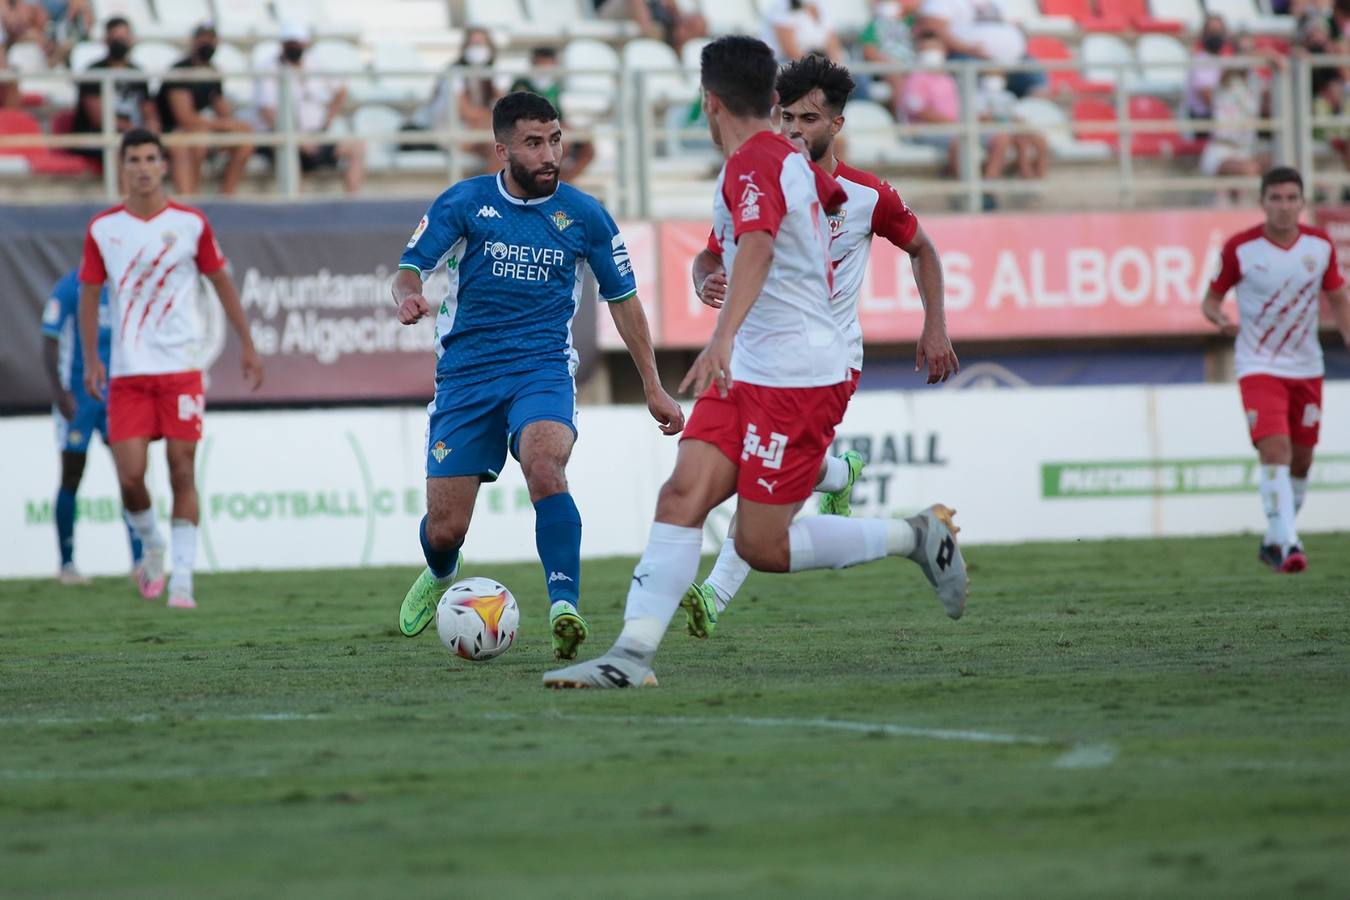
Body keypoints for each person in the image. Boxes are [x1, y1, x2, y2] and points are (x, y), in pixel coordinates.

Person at [542, 36, 968, 689]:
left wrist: (722, 338)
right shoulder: (776, 162)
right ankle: (629, 658)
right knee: (681, 494)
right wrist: (718, 276)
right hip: (751, 370)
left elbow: (764, 245)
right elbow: (781, 222)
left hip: (797, 374)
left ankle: (917, 537)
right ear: (770, 102)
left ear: (710, 104)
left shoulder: (754, 166)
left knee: (759, 546)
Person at [391, 91, 683, 659]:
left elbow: (624, 299)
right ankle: (440, 568)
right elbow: (408, 270)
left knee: (545, 465)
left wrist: (653, 385)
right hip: (466, 378)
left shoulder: (586, 215)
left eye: (555, 140)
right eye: (534, 143)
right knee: (446, 528)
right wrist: (408, 298)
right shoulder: (465, 204)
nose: (550, 154)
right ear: (502, 150)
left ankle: (564, 605)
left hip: (541, 368)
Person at [680, 53, 960, 638]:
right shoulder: (761, 176)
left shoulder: (866, 194)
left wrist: (934, 323)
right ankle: (840, 473)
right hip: (757, 355)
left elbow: (923, 249)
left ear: (836, 125)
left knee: (760, 480)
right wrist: (705, 274)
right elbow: (714, 249)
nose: (793, 130)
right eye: (787, 117)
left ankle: (714, 594)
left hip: (824, 358)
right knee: (761, 471)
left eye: (809, 119)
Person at [79, 128, 264, 608]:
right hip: (127, 372)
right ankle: (153, 545)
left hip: (181, 368)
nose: (143, 167)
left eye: (150, 158)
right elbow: (89, 293)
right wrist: (92, 359)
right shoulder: (104, 228)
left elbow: (220, 281)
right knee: (129, 476)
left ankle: (183, 578)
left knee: (182, 471)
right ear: (123, 167)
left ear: (163, 165)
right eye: (134, 159)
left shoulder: (189, 223)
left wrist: (246, 343)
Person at [1200, 166, 1350, 574]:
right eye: (1276, 198)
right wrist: (1219, 319)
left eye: (1291, 198)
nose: (1284, 207)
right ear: (1262, 202)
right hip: (1259, 365)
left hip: (1307, 367)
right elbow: (1210, 300)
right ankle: (1288, 544)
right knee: (1275, 451)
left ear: (1303, 203)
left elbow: (1338, 296)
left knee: (1301, 461)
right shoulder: (1240, 249)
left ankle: (1274, 539)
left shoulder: (1319, 246)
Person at [41, 266, 143, 585]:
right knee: (72, 474)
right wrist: (60, 392)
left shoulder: (122, 288)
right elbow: (49, 341)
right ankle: (67, 564)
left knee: (130, 476)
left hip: (117, 398)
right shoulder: (70, 288)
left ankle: (140, 561)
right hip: (78, 397)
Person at [253, 20, 365, 193]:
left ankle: (352, 204)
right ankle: (295, 210)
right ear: (283, 44)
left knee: (357, 146)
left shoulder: (314, 62)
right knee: (290, 158)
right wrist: (298, 138)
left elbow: (341, 90)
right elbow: (266, 111)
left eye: (297, 43)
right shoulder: (269, 68)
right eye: (291, 43)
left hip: (316, 134)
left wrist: (328, 119)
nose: (295, 47)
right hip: (286, 137)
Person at [156, 23, 254, 196]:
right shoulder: (180, 71)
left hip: (202, 129)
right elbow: (184, 118)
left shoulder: (212, 71)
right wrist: (225, 125)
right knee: (197, 142)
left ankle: (226, 197)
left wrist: (232, 125)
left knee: (244, 142)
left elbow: (222, 109)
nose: (207, 43)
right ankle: (191, 198)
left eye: (211, 39)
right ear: (194, 41)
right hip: (174, 130)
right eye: (203, 38)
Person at [71, 16, 159, 161]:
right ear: (106, 40)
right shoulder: (94, 72)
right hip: (97, 135)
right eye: (115, 38)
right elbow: (98, 118)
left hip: (132, 134)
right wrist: (134, 130)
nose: (120, 42)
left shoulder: (137, 72)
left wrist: (151, 126)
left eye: (124, 37)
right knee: (123, 149)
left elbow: (148, 109)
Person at [510, 46, 595, 183]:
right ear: (533, 64)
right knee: (561, 142)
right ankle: (546, 183)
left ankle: (562, 182)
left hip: (553, 129)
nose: (545, 68)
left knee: (588, 147)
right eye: (541, 64)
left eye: (548, 64)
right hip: (532, 133)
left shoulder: (556, 87)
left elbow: (560, 115)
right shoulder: (521, 85)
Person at [593, 0, 706, 51]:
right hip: (609, 12)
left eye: (688, 27)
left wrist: (677, 15)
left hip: (650, 22)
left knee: (699, 22)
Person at [761, 0, 843, 62]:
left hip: (814, 64)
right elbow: (790, 50)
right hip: (787, 65)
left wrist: (832, 66)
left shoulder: (822, 5)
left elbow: (833, 44)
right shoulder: (782, 6)